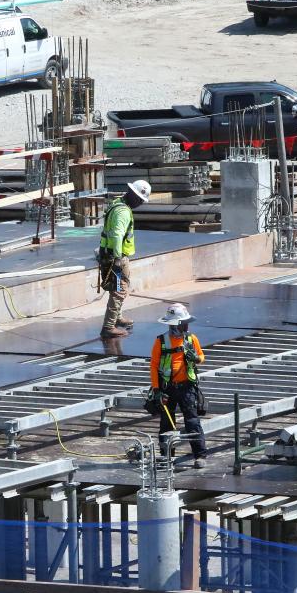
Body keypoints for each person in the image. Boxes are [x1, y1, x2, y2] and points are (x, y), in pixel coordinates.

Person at [150, 303, 208, 468]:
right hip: (167, 388)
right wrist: (156, 390)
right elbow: (154, 366)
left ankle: (200, 456)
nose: (186, 326)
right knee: (166, 423)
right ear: (175, 325)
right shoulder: (161, 341)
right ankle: (166, 457)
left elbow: (201, 356)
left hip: (187, 387)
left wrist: (196, 358)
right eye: (183, 323)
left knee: (192, 421)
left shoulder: (191, 338)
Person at [98, 179, 152, 339]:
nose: (140, 204)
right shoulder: (123, 212)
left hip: (114, 254)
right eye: (141, 200)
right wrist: (117, 259)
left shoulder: (119, 203)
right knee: (119, 291)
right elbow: (116, 234)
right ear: (134, 196)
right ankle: (108, 327)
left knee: (120, 286)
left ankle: (117, 318)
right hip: (115, 256)